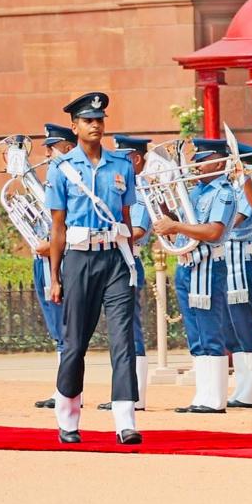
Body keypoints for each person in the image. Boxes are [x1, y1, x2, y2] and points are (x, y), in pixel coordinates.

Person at [44, 92, 140, 444]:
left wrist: (132, 262)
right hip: (79, 258)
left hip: (114, 258)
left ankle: (125, 420)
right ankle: (68, 419)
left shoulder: (121, 165)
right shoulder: (62, 169)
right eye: (88, 120)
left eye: (99, 119)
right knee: (74, 343)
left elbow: (127, 217)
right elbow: (57, 227)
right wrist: (54, 277)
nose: (95, 125)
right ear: (75, 126)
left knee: (122, 340)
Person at [154, 138, 237, 414]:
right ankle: (203, 395)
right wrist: (162, 201)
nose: (196, 166)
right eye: (195, 160)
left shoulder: (223, 192)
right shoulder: (197, 191)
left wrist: (176, 224)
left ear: (220, 161)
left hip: (209, 267)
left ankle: (215, 399)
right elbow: (179, 220)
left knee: (210, 331)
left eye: (202, 160)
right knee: (195, 333)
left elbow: (213, 232)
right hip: (188, 265)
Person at [95, 135, 153, 413]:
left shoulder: (139, 189)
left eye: (123, 158)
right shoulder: (118, 186)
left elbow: (138, 230)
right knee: (119, 331)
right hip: (110, 259)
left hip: (127, 259)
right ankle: (125, 391)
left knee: (130, 330)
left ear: (136, 160)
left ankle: (135, 395)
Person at [31, 123, 75, 410]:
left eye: (52, 146)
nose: (46, 152)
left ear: (68, 147)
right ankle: (62, 388)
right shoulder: (50, 180)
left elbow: (72, 224)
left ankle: (68, 391)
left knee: (63, 329)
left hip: (60, 259)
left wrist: (51, 245)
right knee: (55, 329)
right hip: (43, 261)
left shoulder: (72, 179)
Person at [221, 141, 252, 409]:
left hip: (241, 263)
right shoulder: (226, 189)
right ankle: (242, 385)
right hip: (224, 264)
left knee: (243, 326)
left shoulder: (250, 191)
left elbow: (231, 220)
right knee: (229, 329)